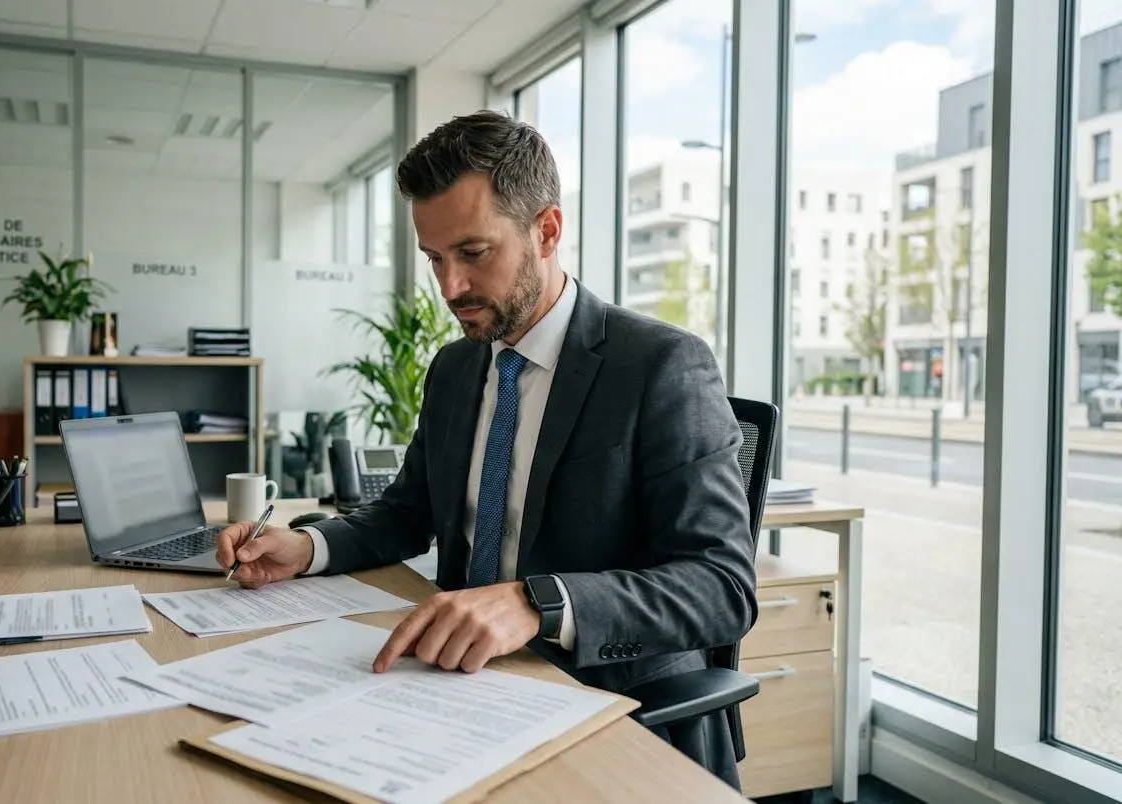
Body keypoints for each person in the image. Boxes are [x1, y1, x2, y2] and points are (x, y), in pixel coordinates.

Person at [216, 110, 757, 786]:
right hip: (457, 689)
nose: (450, 288)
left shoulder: (659, 366)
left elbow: (721, 586)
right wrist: (308, 547)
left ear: (547, 231)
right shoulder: (457, 367)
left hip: (606, 704)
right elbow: (407, 512)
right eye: (435, 259)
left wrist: (538, 603)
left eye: (473, 253)